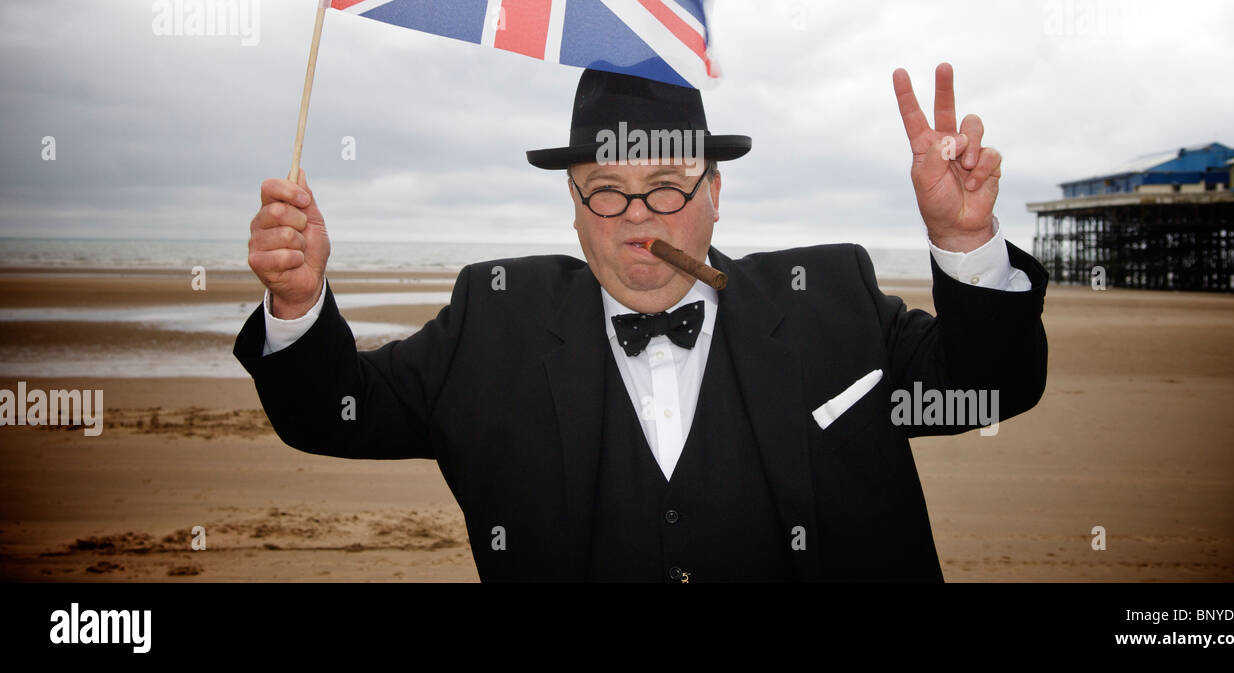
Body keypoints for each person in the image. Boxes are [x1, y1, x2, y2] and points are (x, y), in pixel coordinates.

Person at [234, 63, 1048, 581]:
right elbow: (330, 409)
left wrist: (966, 240)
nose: (638, 220)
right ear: (574, 206)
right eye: (607, 189)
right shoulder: (495, 321)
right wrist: (301, 300)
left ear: (715, 192)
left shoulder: (829, 298)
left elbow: (990, 385)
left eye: (667, 184)